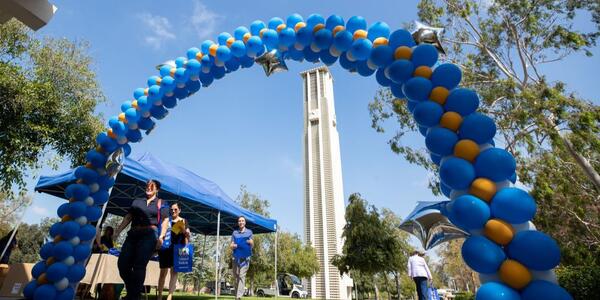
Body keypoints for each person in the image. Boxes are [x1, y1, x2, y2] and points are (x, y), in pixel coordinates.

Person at [114, 179, 169, 300]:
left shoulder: (162, 203)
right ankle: (134, 292)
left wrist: (161, 237)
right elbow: (128, 217)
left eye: (152, 186)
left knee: (139, 265)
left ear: (157, 189)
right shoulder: (137, 201)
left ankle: (133, 296)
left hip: (149, 234)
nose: (148, 187)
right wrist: (118, 231)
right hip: (133, 234)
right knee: (122, 264)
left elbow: (165, 220)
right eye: (147, 186)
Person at [157, 202, 190, 300]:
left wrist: (184, 231)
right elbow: (161, 232)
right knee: (163, 273)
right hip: (165, 249)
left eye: (175, 209)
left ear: (179, 210)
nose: (173, 211)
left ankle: (170, 296)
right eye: (171, 209)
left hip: (178, 249)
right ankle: (159, 295)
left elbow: (187, 236)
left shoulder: (183, 221)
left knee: (174, 272)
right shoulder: (167, 220)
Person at [230, 216, 253, 300]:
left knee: (242, 276)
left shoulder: (249, 232)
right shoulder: (234, 233)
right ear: (238, 222)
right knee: (236, 277)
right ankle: (236, 295)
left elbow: (251, 244)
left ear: (245, 222)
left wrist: (251, 242)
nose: (241, 222)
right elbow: (231, 245)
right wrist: (235, 245)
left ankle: (238, 296)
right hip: (235, 257)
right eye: (239, 221)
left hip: (245, 258)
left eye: (242, 221)